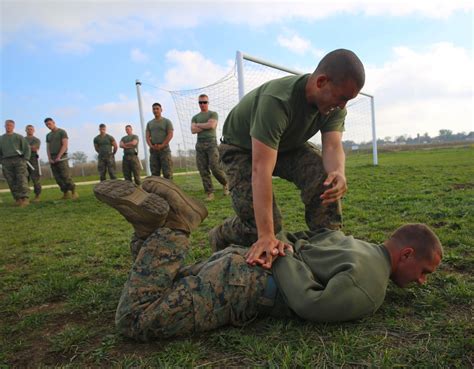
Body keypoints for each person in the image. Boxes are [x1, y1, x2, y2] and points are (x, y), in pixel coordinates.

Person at [93, 179, 442, 341]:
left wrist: (276, 246)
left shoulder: (356, 244)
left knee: (161, 282)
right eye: (424, 271)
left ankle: (148, 229)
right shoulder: (371, 287)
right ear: (406, 254)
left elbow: (306, 239)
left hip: (240, 260)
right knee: (135, 319)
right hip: (245, 284)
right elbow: (309, 303)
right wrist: (281, 257)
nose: (422, 280)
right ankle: (176, 227)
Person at [211, 49, 366, 270]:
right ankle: (222, 233)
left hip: (286, 144)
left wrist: (338, 171)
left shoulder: (335, 107)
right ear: (321, 82)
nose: (343, 106)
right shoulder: (277, 101)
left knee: (324, 176)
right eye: (342, 98)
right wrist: (266, 235)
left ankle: (328, 245)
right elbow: (260, 169)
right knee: (263, 227)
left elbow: (332, 146)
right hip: (241, 149)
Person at [191, 94, 229, 201]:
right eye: (200, 102)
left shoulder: (213, 114)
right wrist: (205, 125)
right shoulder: (195, 116)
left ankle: (226, 183)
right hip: (200, 144)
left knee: (215, 167)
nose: (202, 104)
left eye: (204, 102)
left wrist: (198, 125)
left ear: (208, 103)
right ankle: (209, 193)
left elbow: (212, 126)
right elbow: (193, 130)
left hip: (211, 143)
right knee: (203, 170)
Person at [44, 117, 78, 199]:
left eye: (49, 124)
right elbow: (48, 148)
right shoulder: (48, 135)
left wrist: (59, 156)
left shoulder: (62, 132)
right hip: (52, 158)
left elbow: (65, 145)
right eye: (46, 125)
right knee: (58, 178)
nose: (48, 126)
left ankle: (73, 192)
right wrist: (49, 158)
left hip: (61, 157)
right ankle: (65, 193)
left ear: (53, 122)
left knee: (65, 176)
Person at [0, 120, 31, 207]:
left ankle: (25, 198)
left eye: (10, 125)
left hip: (18, 160)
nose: (8, 127)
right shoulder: (1, 139)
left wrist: (25, 159)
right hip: (6, 161)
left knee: (21, 179)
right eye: (7, 125)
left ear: (13, 126)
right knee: (11, 180)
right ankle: (17, 199)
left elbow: (27, 148)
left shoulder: (19, 137)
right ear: (4, 126)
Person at [146, 103, 174, 179]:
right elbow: (147, 136)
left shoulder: (167, 121)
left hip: (164, 150)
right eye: (154, 109)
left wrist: (162, 145)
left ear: (161, 110)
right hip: (153, 150)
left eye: (157, 108)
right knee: (155, 174)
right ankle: (156, 190)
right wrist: (151, 146)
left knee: (167, 173)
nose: (155, 110)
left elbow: (170, 134)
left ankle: (169, 190)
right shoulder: (149, 123)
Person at [25, 124, 42, 202]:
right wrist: (29, 147)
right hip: (24, 160)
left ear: (34, 130)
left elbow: (35, 148)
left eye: (31, 129)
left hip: (33, 160)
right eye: (28, 129)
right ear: (26, 130)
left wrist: (25, 147)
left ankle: (37, 196)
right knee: (24, 179)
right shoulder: (22, 139)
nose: (30, 130)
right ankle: (25, 197)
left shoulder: (36, 140)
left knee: (35, 179)